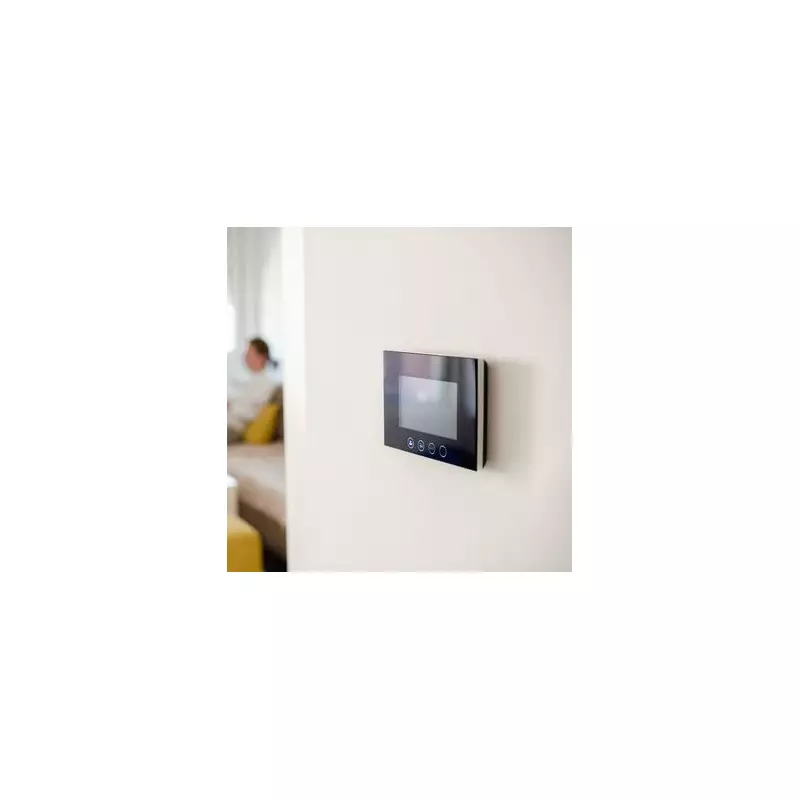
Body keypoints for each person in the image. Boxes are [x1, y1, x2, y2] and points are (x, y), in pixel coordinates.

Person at [228, 337, 277, 443]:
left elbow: (251, 413)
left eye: (249, 353)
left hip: (235, 426)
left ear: (262, 357)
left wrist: (231, 407)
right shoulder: (253, 380)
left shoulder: (267, 384)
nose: (245, 357)